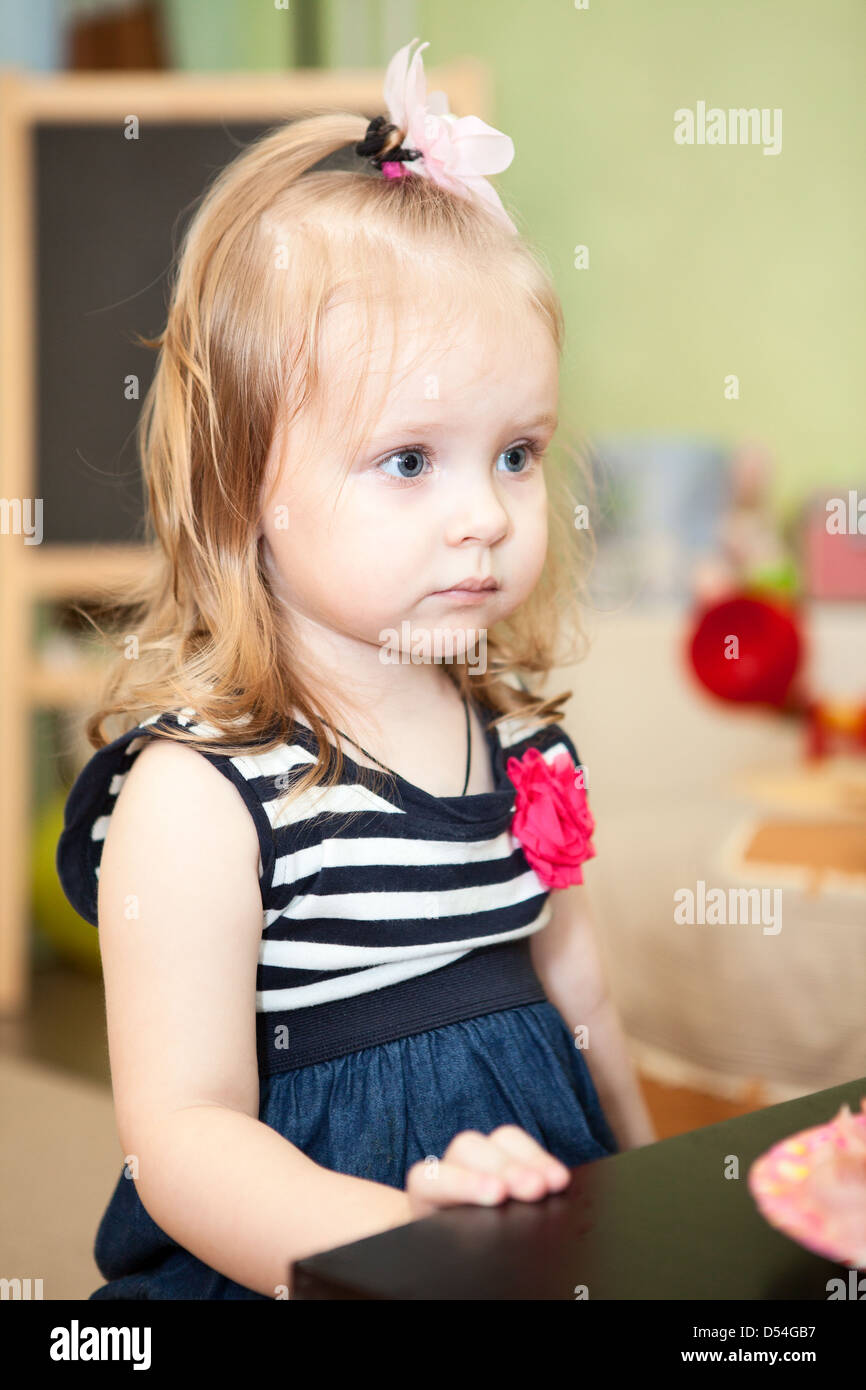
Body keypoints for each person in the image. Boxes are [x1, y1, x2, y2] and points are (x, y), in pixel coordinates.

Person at [57, 37, 656, 1301]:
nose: (487, 515)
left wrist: (660, 1194)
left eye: (514, 452)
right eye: (408, 460)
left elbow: (580, 989)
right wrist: (391, 1256)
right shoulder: (202, 798)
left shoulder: (526, 748)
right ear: (243, 485)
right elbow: (182, 1138)